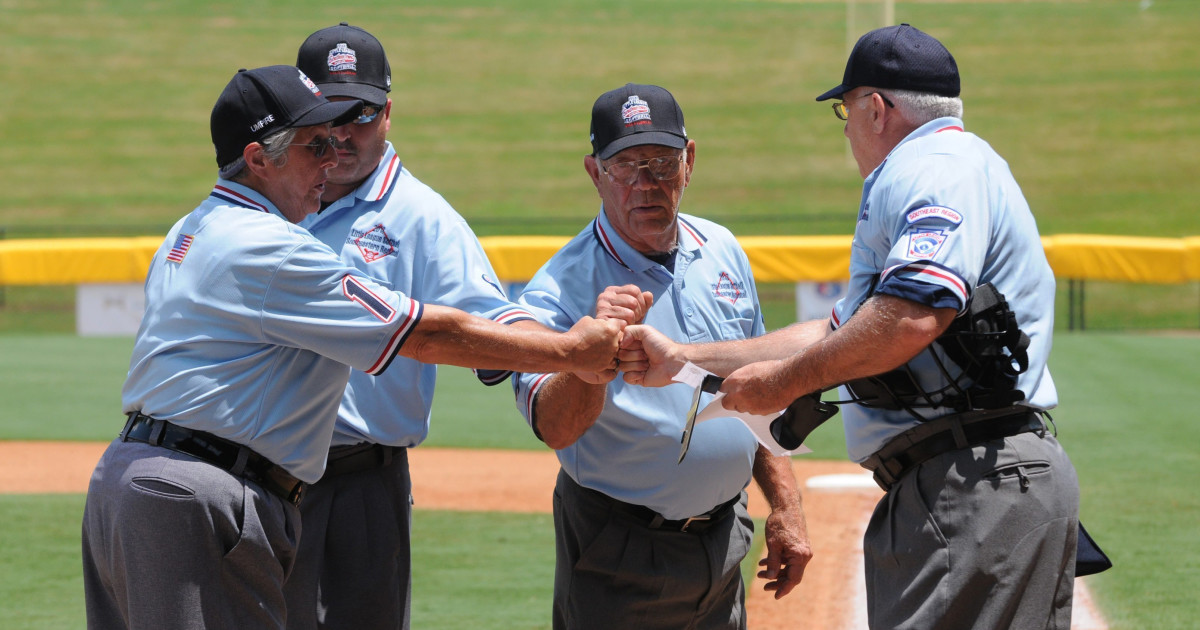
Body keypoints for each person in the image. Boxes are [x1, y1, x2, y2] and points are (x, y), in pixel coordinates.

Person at [80, 64, 624, 630]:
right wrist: (569, 352)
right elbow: (421, 334)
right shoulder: (273, 248)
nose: (331, 157)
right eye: (314, 145)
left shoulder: (193, 226)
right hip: (201, 496)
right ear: (259, 158)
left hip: (137, 482)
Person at [622, 24, 1080, 630]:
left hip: (969, 482)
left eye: (845, 109)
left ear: (876, 107)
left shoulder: (934, 167)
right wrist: (684, 358)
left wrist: (782, 384)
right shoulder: (948, 164)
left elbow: (912, 315)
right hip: (971, 477)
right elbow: (839, 332)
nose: (845, 126)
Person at [511, 83, 812, 630]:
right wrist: (590, 359)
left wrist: (786, 507)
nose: (646, 185)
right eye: (625, 167)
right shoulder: (559, 287)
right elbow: (553, 427)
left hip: (725, 542)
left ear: (690, 161)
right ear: (594, 172)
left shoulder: (721, 249)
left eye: (661, 163)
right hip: (619, 551)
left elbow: (757, 390)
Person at [281, 23, 548, 630]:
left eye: (362, 114)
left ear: (388, 113)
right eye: (328, 114)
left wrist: (565, 349)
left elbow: (493, 321)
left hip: (359, 484)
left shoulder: (422, 218)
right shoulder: (269, 197)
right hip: (258, 474)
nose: (343, 134)